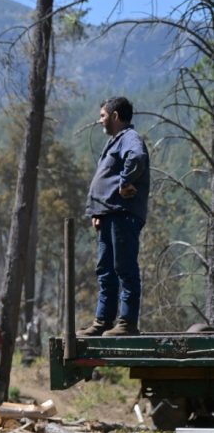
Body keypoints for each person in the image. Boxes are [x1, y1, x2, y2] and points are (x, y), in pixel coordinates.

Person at [79, 96, 150, 337]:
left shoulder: (130, 138)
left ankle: (127, 323)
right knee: (105, 270)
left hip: (123, 215)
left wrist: (124, 182)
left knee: (124, 268)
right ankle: (103, 321)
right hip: (109, 215)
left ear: (115, 116)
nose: (100, 120)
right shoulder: (116, 142)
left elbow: (136, 157)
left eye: (103, 116)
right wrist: (97, 211)